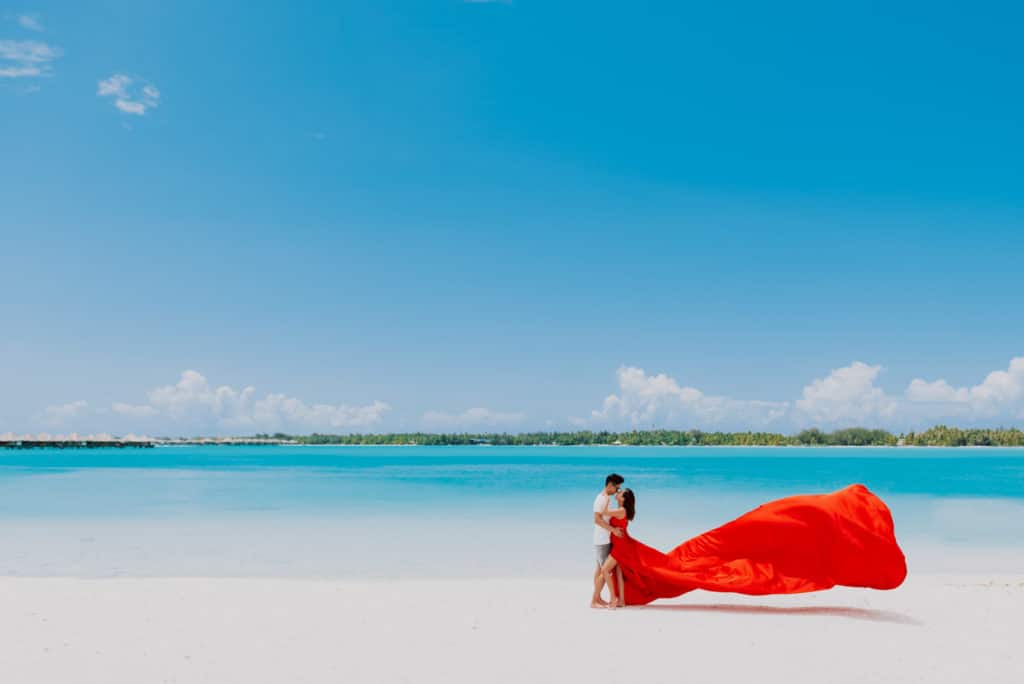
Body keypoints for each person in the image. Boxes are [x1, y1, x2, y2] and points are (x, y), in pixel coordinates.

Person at [606, 483, 907, 607]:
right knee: (700, 558)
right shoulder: (799, 512)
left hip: (759, 524)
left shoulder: (800, 514)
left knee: (703, 559)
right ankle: (642, 583)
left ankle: (642, 583)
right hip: (755, 524)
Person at [590, 473, 624, 608]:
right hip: (602, 540)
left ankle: (597, 598)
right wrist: (613, 530)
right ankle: (594, 600)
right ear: (610, 485)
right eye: (617, 488)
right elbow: (597, 520)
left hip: (601, 539)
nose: (618, 491)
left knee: (599, 570)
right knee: (605, 571)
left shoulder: (604, 498)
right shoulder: (602, 499)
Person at [599, 487, 635, 609]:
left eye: (621, 493)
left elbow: (604, 512)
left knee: (604, 570)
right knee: (618, 573)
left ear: (623, 499)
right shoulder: (622, 510)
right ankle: (622, 601)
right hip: (621, 544)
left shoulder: (621, 510)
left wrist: (606, 497)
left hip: (619, 547)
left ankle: (613, 599)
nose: (618, 492)